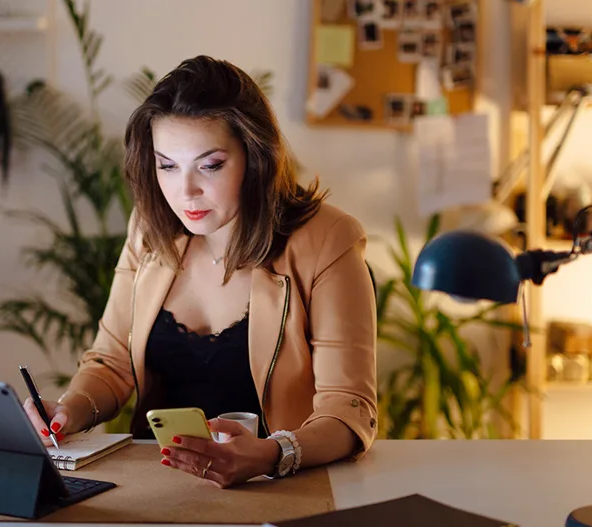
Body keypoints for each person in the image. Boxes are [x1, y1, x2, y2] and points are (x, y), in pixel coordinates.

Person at [23, 55, 377, 489]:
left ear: (255, 156)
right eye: (167, 165)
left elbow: (348, 409)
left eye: (210, 165)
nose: (184, 190)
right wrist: (68, 410)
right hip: (158, 486)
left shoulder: (328, 240)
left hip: (282, 485)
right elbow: (110, 363)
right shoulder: (149, 230)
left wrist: (272, 453)